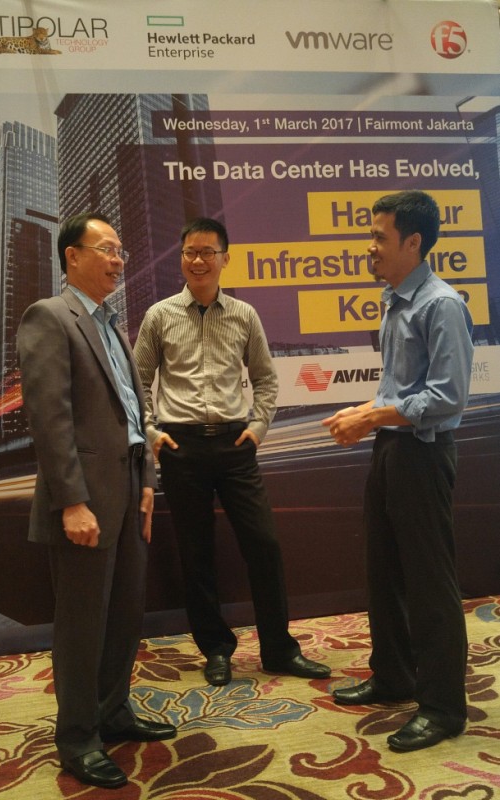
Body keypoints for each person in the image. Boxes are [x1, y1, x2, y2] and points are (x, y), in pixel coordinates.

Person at [133, 216, 330, 687]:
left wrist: (258, 428)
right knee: (196, 553)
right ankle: (216, 650)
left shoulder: (244, 315)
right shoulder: (159, 315)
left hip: (234, 445)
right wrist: (152, 431)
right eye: (189, 252)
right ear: (181, 258)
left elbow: (265, 378)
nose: (198, 260)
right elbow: (137, 381)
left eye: (207, 252)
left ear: (225, 258)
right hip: (180, 447)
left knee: (264, 544)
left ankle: (279, 649)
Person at [17, 211, 176, 790]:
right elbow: (50, 419)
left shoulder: (112, 325)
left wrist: (148, 483)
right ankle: (78, 738)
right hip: (85, 498)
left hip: (129, 489)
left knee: (124, 614)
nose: (117, 260)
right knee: (82, 623)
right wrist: (72, 502)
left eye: (121, 251)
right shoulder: (50, 316)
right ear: (73, 256)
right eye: (107, 248)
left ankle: (113, 711)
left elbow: (135, 414)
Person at [322, 190, 474, 753]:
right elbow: (400, 388)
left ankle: (442, 708)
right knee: (384, 568)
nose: (370, 247)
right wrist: (368, 412)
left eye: (379, 237)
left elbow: (448, 397)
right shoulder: (394, 298)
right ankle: (393, 677)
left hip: (424, 455)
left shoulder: (441, 304)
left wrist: (371, 415)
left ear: (413, 242)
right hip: (392, 448)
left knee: (430, 582)